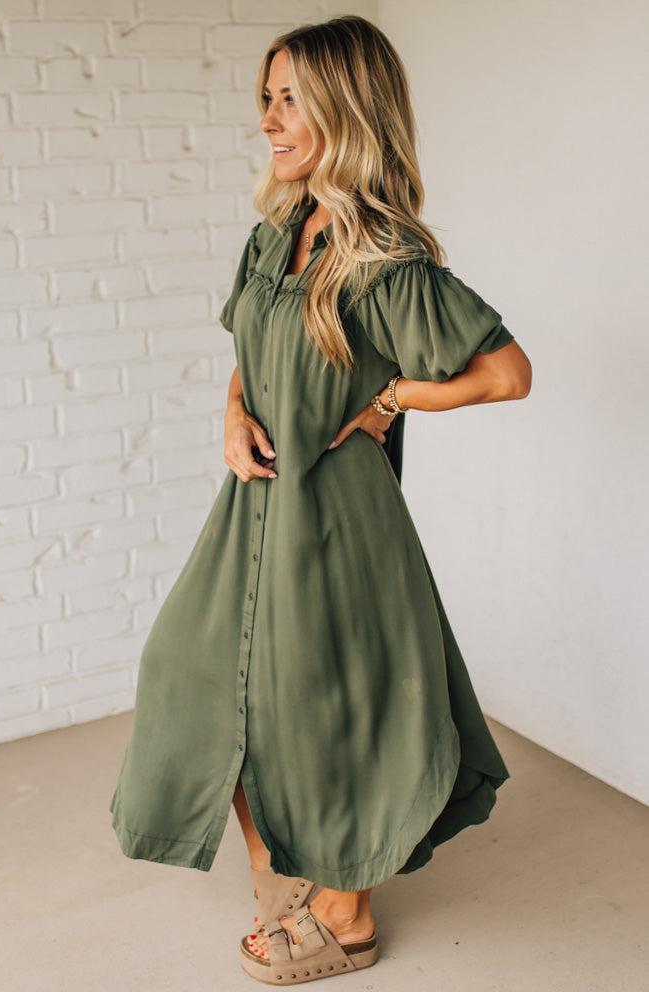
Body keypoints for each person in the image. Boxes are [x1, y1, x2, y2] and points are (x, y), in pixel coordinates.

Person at [109, 14, 532, 986]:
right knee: (193, 674)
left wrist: (388, 395)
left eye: (289, 95)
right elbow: (244, 352)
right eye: (265, 96)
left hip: (337, 520)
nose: (269, 115)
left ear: (346, 106)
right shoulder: (278, 232)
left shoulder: (380, 256)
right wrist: (229, 414)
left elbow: (506, 373)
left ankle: (344, 916)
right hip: (255, 505)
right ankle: (300, 875)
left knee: (328, 709)